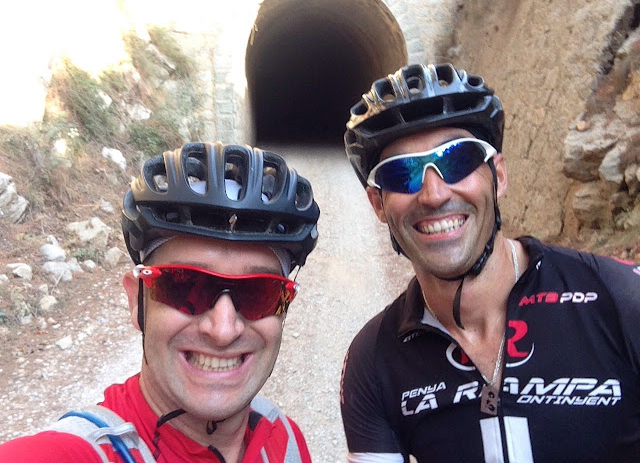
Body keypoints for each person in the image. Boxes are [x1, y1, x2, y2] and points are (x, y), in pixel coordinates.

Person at [339, 63, 640, 462]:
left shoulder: (622, 300)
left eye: (457, 160)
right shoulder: (374, 360)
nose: (434, 194)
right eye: (402, 174)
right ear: (378, 204)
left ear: (498, 175)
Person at [0, 141, 320, 462]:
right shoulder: (74, 453)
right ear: (136, 300)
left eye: (261, 291)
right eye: (184, 285)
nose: (223, 331)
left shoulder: (286, 440)